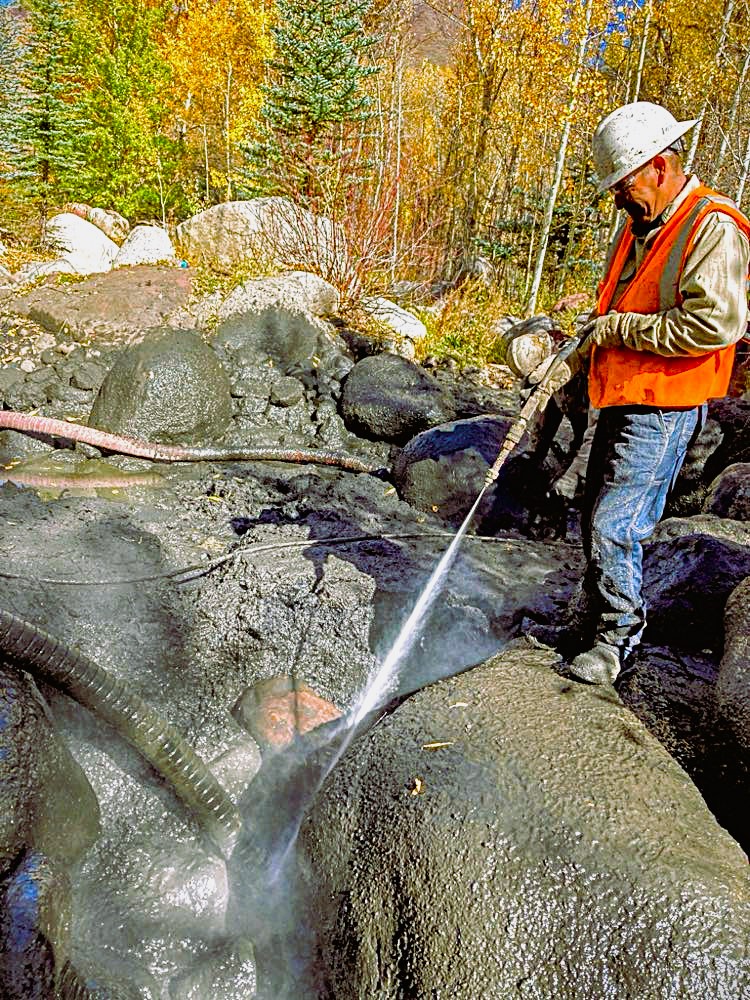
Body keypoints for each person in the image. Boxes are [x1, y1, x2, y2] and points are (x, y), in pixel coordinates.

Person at [526, 101, 750, 686]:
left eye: (622, 183)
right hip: (626, 390)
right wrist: (582, 349)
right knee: (593, 510)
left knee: (617, 524)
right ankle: (589, 620)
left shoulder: (711, 227)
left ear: (659, 165)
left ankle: (614, 641)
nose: (617, 197)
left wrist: (621, 331)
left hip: (668, 402)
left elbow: (716, 324)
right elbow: (620, 305)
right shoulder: (641, 226)